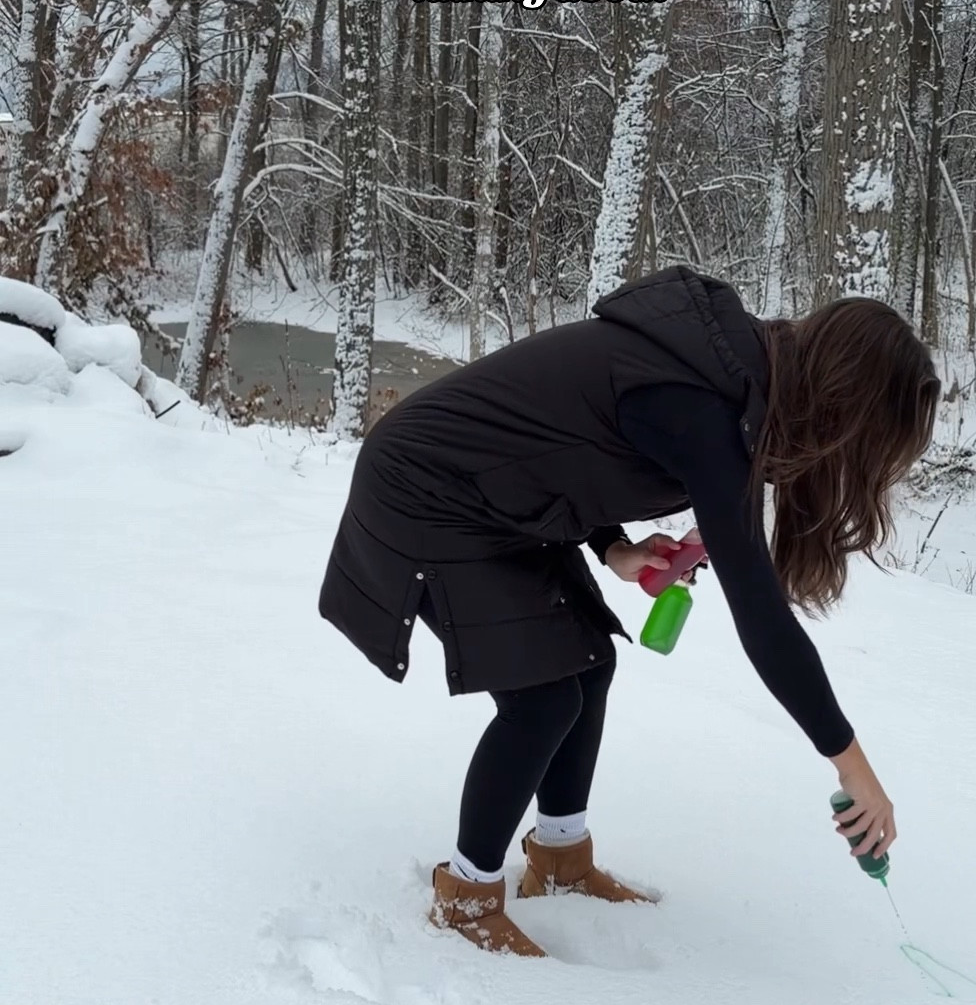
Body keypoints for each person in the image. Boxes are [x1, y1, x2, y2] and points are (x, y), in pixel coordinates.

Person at [319, 265, 940, 957]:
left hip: (497, 494)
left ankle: (560, 858)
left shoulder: (735, 384)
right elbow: (761, 619)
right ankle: (465, 894)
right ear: (842, 408)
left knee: (588, 664)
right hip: (428, 489)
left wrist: (612, 547)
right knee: (543, 698)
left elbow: (559, 438)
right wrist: (851, 765)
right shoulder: (705, 404)